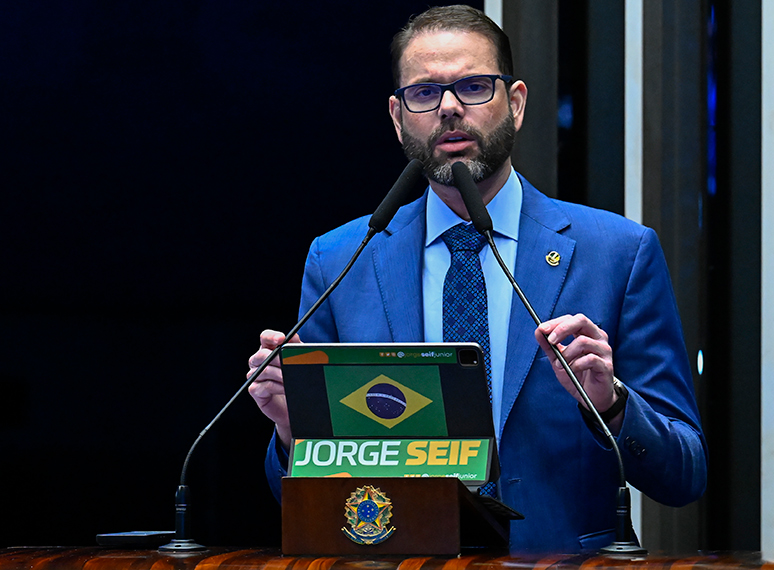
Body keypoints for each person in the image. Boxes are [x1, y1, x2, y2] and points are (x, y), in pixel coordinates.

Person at [247, 4, 706, 553]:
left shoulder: (618, 253)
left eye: (473, 87)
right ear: (397, 118)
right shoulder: (343, 259)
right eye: (424, 93)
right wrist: (291, 435)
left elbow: (684, 475)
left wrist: (610, 403)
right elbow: (299, 500)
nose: (447, 108)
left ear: (514, 104)